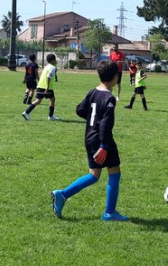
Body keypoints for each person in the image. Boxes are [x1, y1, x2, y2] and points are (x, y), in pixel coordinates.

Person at [51, 60, 128, 221]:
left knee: (94, 175)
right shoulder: (109, 98)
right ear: (115, 77)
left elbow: (79, 109)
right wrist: (104, 146)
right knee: (114, 172)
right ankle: (109, 213)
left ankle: (62, 195)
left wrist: (93, 120)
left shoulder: (93, 92)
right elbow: (106, 123)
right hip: (102, 140)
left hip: (89, 138)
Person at [22, 53, 59, 121]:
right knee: (52, 99)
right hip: (46, 87)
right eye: (55, 59)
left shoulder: (47, 66)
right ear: (53, 60)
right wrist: (47, 87)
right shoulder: (52, 68)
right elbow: (49, 77)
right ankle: (50, 116)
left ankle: (26, 112)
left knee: (39, 100)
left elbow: (54, 67)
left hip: (40, 85)